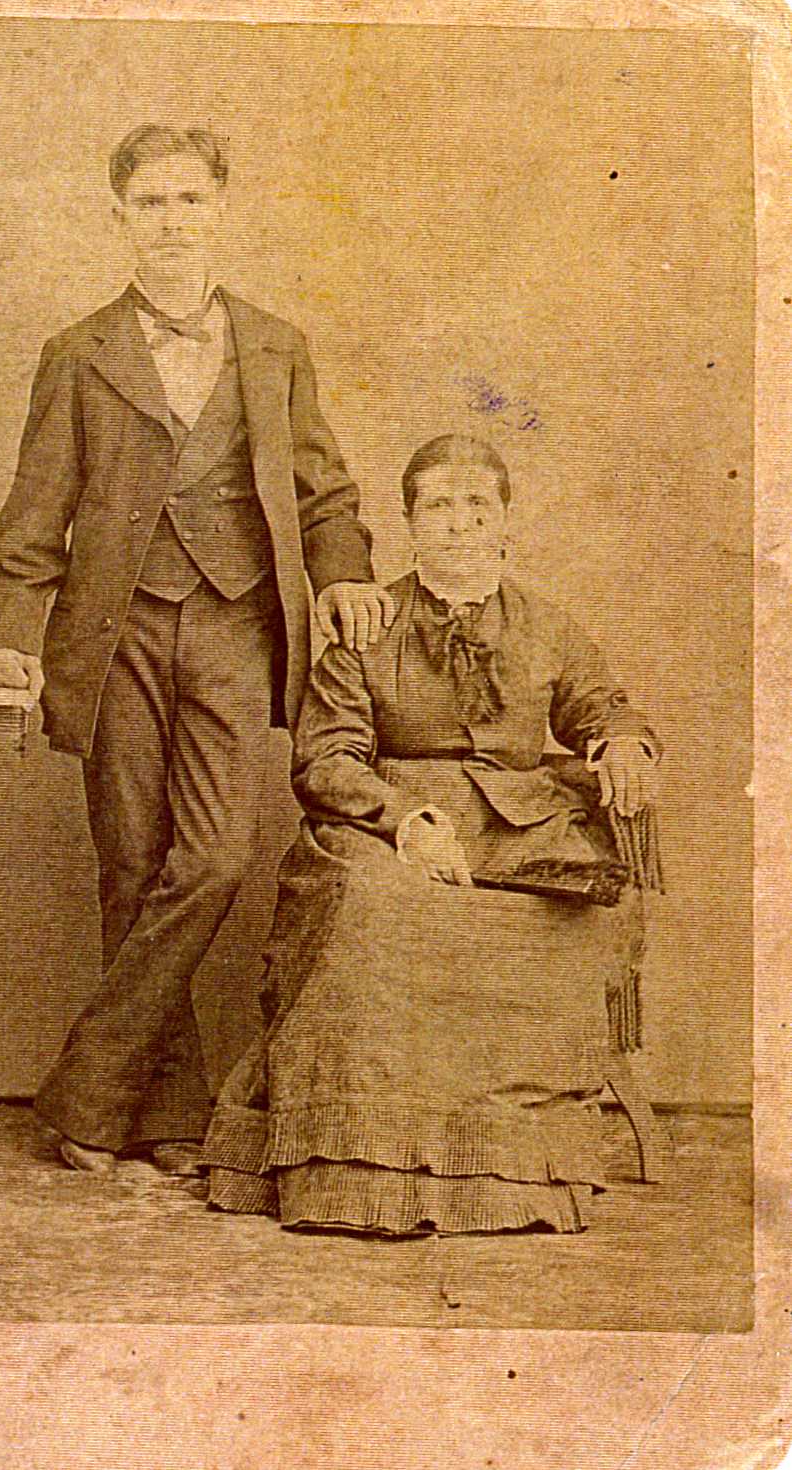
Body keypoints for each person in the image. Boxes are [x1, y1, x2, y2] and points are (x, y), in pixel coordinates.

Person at [0, 124, 393, 1180]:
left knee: (213, 859)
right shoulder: (78, 355)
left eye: (189, 200)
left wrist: (345, 572)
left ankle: (86, 1089)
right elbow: (34, 518)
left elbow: (325, 492)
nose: (171, 221)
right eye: (150, 203)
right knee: (130, 862)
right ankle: (161, 1111)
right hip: (111, 632)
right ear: (118, 217)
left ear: (220, 209)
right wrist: (6, 638)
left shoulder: (275, 345)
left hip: (233, 626)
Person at [204, 433, 662, 1235]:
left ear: (504, 519)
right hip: (388, 823)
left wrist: (623, 743)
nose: (459, 523)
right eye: (439, 506)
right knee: (373, 912)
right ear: (411, 524)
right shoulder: (368, 625)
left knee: (559, 918)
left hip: (523, 828)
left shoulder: (545, 625)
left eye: (477, 504)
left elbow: (601, 704)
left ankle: (521, 1161)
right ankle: (357, 1168)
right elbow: (326, 757)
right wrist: (405, 820)